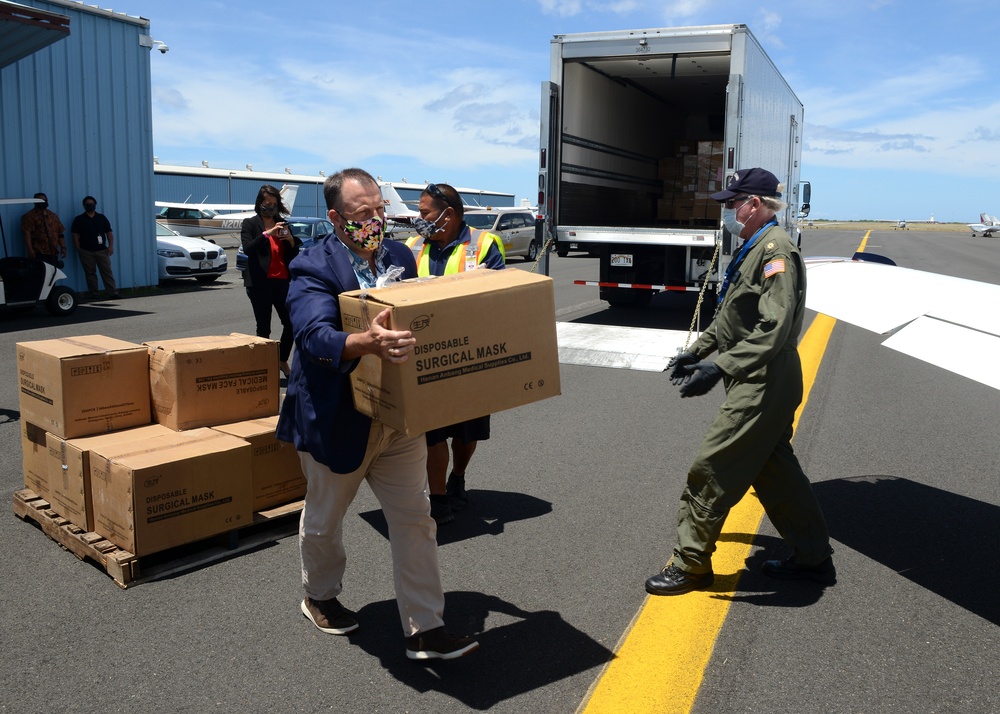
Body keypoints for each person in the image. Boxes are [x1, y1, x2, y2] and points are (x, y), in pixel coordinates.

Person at [276, 168, 479, 660]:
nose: (375, 220)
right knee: (325, 519)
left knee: (415, 519)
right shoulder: (312, 266)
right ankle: (320, 596)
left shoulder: (399, 255)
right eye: (363, 214)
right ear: (335, 218)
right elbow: (312, 336)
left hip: (394, 418)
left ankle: (425, 628)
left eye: (380, 210)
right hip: (335, 416)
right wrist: (363, 342)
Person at [645, 167, 835, 597]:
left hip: (763, 380)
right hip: (756, 375)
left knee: (710, 468)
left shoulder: (776, 250)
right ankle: (813, 557)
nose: (729, 211)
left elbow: (773, 327)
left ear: (755, 204)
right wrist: (697, 351)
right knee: (775, 473)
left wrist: (721, 367)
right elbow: (732, 316)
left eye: (734, 203)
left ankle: (691, 565)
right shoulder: (752, 248)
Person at [405, 183, 506, 525]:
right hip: (426, 359)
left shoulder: (485, 244)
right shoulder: (412, 246)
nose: (418, 220)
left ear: (448, 213)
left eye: (424, 213)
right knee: (430, 432)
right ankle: (438, 497)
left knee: (466, 434)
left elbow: (499, 299)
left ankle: (458, 477)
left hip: (471, 360)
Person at [240, 185, 300, 377]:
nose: (271, 208)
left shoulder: (282, 223)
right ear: (260, 204)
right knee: (263, 327)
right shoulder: (250, 224)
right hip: (259, 283)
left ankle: (282, 359)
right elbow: (248, 248)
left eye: (274, 204)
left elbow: (292, 252)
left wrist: (290, 240)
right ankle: (263, 368)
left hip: (282, 281)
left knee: (291, 323)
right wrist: (267, 234)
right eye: (267, 204)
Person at [71, 195, 119, 299]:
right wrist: (78, 247)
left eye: (92, 204)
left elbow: (109, 232)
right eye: (88, 204)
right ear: (84, 206)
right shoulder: (79, 219)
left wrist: (111, 246)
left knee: (107, 271)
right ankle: (94, 293)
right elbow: (75, 234)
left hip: (102, 250)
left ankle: (112, 292)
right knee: (90, 273)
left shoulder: (101, 218)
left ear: (95, 205)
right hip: (86, 251)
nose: (90, 206)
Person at [21, 192, 66, 267]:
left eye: (45, 200)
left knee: (52, 274)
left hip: (53, 251)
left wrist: (63, 247)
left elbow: (60, 232)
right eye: (41, 201)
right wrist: (30, 250)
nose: (44, 202)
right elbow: (27, 233)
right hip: (39, 251)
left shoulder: (53, 216)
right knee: (40, 273)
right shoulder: (29, 216)